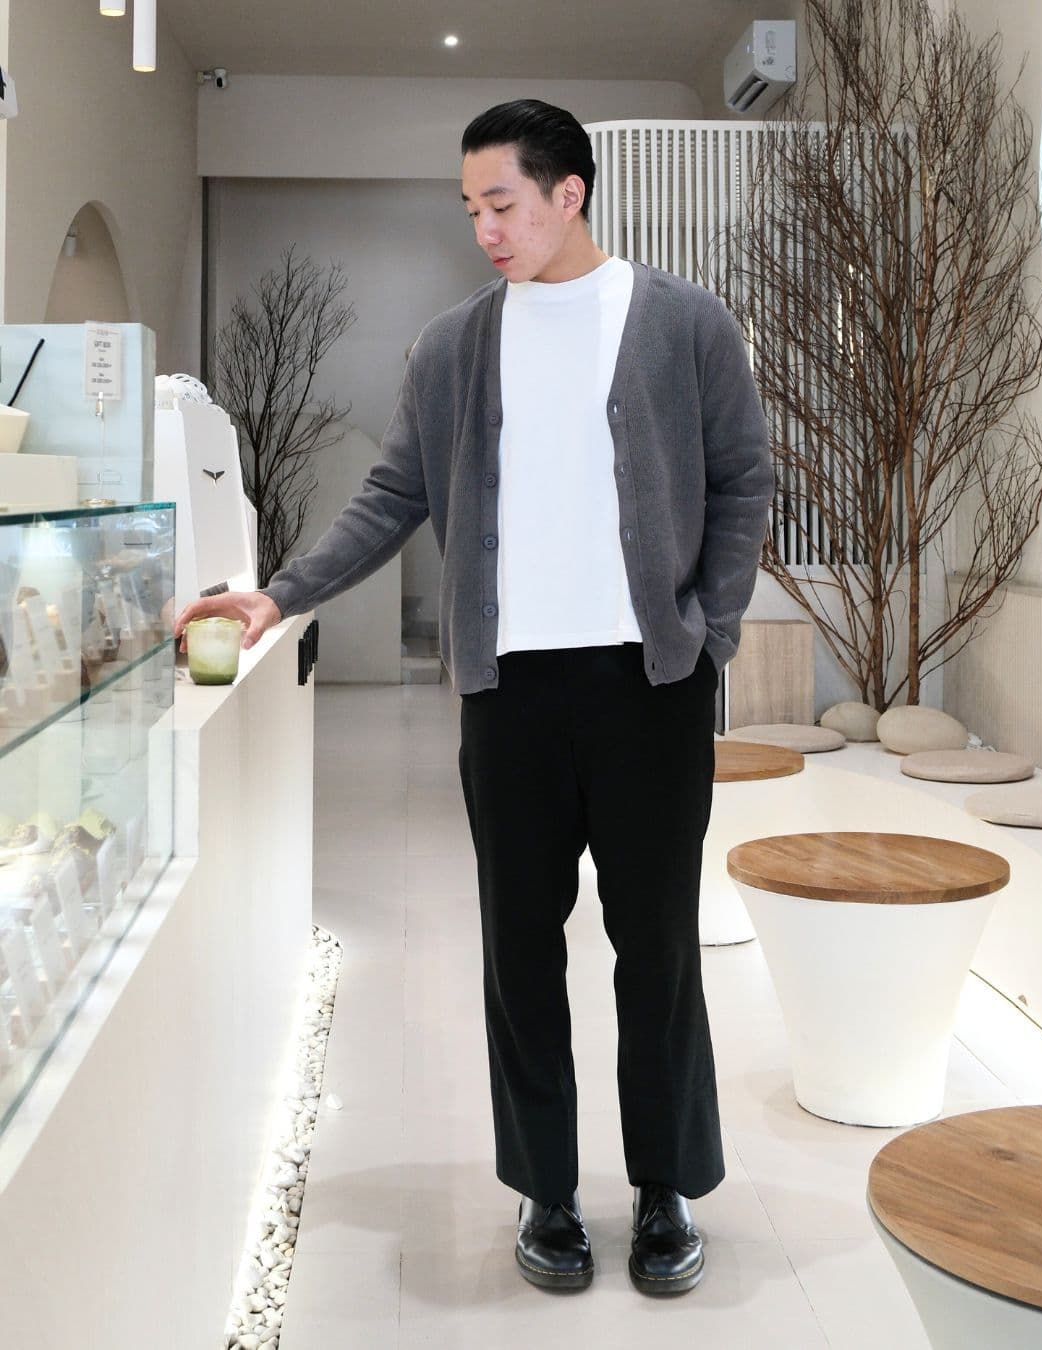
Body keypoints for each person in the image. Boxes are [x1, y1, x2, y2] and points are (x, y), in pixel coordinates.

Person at [175, 98, 773, 1298]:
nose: (486, 229)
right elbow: (392, 494)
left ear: (569, 193)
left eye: (502, 204)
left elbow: (742, 477)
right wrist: (279, 594)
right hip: (510, 698)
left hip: (649, 686)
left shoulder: (682, 323)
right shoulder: (452, 347)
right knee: (519, 953)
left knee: (658, 951)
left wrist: (709, 630)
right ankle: (546, 1190)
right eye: (471, 210)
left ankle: (663, 1188)